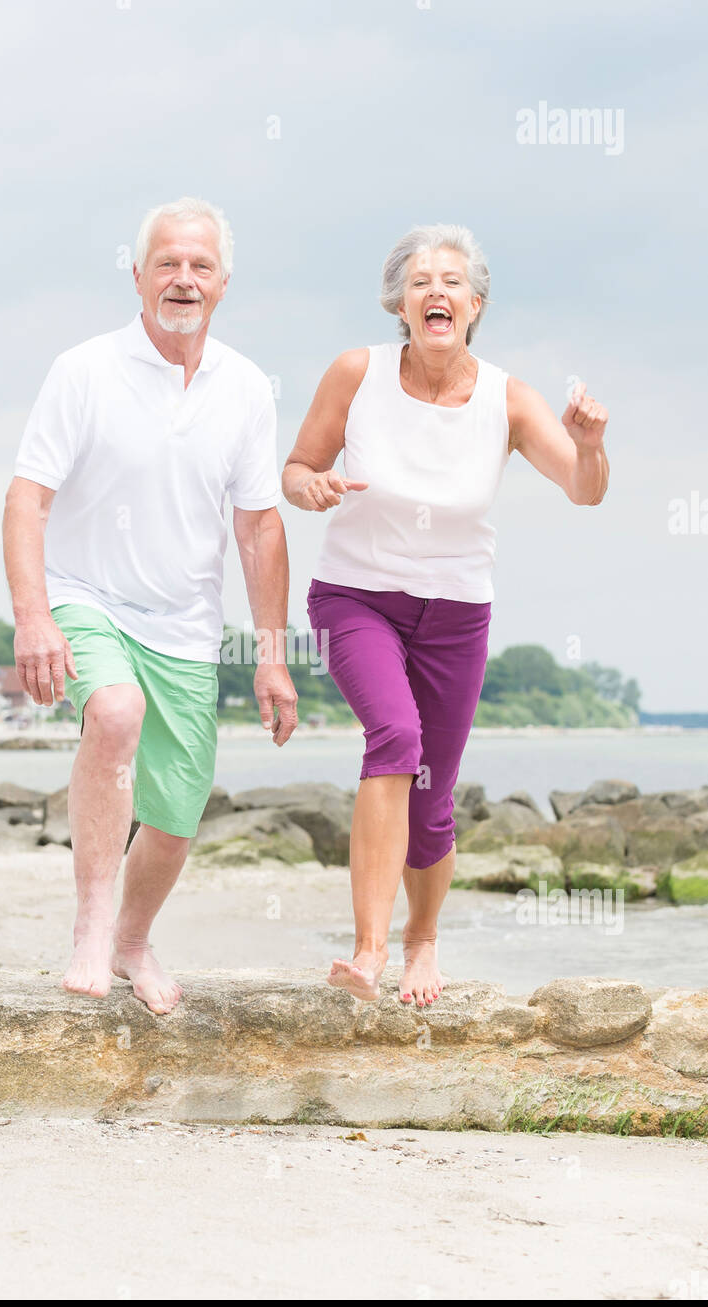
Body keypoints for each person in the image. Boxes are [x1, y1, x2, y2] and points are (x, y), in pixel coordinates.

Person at [282, 223, 609, 1006]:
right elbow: (295, 470)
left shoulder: (506, 397)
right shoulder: (355, 374)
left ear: (475, 303)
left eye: (451, 280)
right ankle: (365, 951)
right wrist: (313, 488)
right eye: (420, 280)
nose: (436, 291)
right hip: (356, 597)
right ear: (399, 301)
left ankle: (420, 944)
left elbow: (584, 489)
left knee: (433, 799)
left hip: (457, 615)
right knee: (393, 737)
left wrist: (588, 445)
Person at [3, 196, 297, 1011]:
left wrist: (270, 659)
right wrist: (34, 617)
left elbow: (259, 529)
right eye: (166, 262)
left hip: (187, 625)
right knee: (116, 715)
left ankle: (133, 939)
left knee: (175, 810)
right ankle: (92, 925)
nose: (183, 278)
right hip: (87, 597)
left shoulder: (244, 388)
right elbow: (25, 500)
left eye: (200, 265)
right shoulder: (84, 370)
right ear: (137, 275)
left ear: (224, 284)